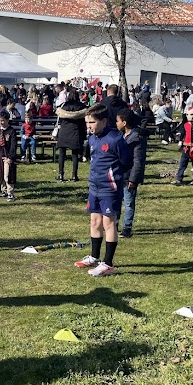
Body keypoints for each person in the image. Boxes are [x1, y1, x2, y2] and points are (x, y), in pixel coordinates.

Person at [74, 103, 131, 277]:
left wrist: (117, 178)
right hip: (94, 187)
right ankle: (94, 256)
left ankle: (108, 263)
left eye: (92, 122)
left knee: (108, 223)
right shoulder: (91, 139)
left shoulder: (116, 139)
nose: (89, 126)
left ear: (104, 121)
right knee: (95, 222)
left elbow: (127, 161)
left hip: (110, 188)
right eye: (86, 123)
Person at [117, 108, 146, 238]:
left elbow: (138, 161)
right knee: (116, 201)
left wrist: (133, 179)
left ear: (124, 122)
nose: (115, 123)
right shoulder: (120, 136)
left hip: (129, 176)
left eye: (117, 121)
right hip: (119, 174)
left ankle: (126, 228)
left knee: (128, 203)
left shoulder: (136, 139)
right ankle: (113, 224)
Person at [55, 88, 87, 182]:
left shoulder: (64, 106)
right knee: (75, 154)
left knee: (62, 153)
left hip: (64, 131)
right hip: (75, 131)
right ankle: (74, 175)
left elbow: (60, 120)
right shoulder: (81, 107)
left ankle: (60, 174)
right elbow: (83, 122)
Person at [171, 105, 193, 186]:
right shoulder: (185, 125)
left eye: (192, 114)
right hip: (186, 147)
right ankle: (179, 178)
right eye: (188, 114)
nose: (189, 116)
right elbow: (182, 134)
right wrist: (180, 141)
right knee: (183, 162)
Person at [0, 110, 18, 202]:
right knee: (2, 174)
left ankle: (10, 192)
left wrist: (11, 157)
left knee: (8, 174)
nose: (1, 123)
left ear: (7, 120)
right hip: (0, 155)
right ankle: (4, 191)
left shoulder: (11, 131)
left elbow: (13, 145)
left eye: (2, 120)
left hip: (8, 156)